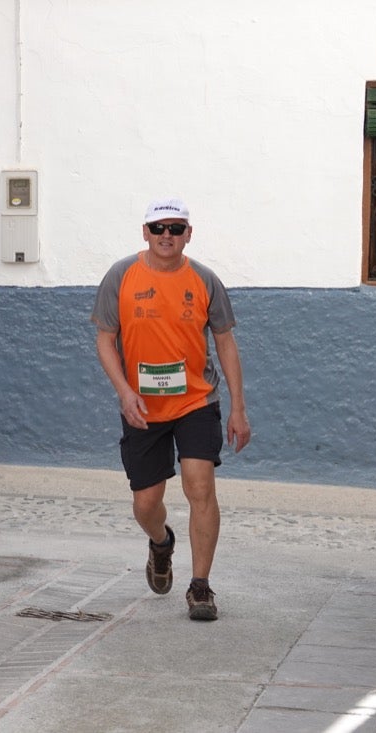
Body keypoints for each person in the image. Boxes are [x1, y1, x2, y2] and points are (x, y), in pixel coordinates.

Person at [91, 197, 251, 621]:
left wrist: (238, 408)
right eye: (159, 228)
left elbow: (225, 343)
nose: (167, 236)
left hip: (197, 400)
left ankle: (200, 587)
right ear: (145, 232)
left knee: (200, 486)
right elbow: (105, 339)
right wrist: (125, 392)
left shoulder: (204, 280)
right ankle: (161, 543)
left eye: (176, 229)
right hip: (142, 406)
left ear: (188, 234)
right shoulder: (121, 276)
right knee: (146, 503)